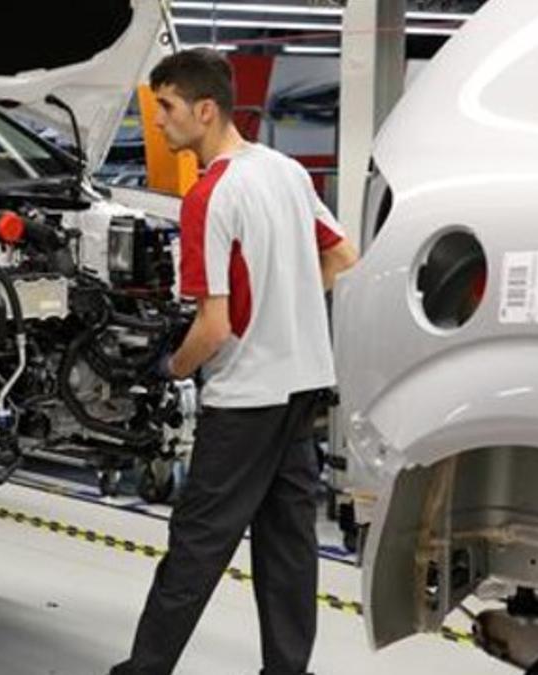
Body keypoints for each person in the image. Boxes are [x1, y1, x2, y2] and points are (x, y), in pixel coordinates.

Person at [110, 49, 359, 675]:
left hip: (245, 398)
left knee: (196, 546)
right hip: (303, 387)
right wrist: (285, 309)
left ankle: (143, 671)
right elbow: (342, 256)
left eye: (164, 107)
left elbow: (214, 327)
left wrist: (170, 368)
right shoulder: (285, 171)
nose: (157, 123)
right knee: (289, 548)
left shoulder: (210, 195)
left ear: (204, 108)